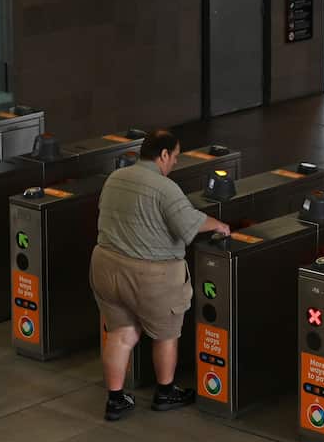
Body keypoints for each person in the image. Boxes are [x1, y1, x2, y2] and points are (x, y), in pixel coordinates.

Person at [89, 129, 231, 421]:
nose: (175, 163)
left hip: (106, 266)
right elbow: (188, 225)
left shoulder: (115, 178)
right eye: (175, 156)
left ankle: (116, 400)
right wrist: (218, 225)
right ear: (163, 155)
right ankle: (165, 392)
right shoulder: (164, 187)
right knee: (166, 334)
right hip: (151, 275)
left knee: (121, 333)